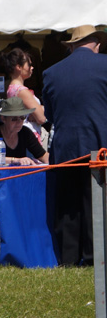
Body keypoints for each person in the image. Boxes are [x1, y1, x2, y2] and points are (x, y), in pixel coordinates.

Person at [42, 24, 107, 266]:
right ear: (97, 44)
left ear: (71, 46)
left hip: (66, 147)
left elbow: (49, 114)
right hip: (100, 147)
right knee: (96, 203)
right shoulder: (105, 65)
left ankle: (68, 259)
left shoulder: (51, 73)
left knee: (68, 206)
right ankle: (93, 256)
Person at [0, 47, 48, 148]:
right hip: (31, 138)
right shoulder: (22, 91)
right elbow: (41, 118)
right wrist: (40, 111)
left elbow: (37, 114)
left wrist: (37, 111)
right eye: (29, 65)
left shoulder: (12, 88)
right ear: (18, 67)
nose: (32, 67)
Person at [0, 97, 49, 165]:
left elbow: (42, 155)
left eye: (22, 117)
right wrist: (16, 160)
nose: (19, 122)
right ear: (3, 119)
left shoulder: (25, 132)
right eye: (14, 119)